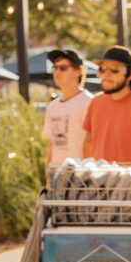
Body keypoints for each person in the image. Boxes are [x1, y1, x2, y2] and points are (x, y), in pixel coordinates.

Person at [83, 45, 131, 162]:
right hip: (99, 179)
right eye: (102, 68)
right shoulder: (96, 102)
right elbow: (88, 141)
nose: (106, 74)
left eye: (114, 69)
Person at [42, 48, 92, 185]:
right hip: (57, 179)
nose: (57, 72)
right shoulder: (52, 107)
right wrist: (48, 179)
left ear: (78, 71)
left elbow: (92, 142)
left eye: (63, 68)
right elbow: (52, 146)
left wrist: (88, 177)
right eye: (55, 68)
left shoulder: (88, 102)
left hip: (81, 179)